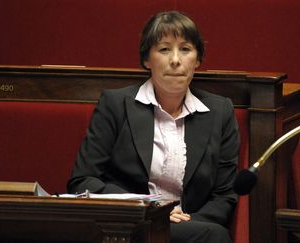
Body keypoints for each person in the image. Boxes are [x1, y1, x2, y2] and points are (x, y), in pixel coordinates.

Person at [67, 11, 239, 243]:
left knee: (214, 235)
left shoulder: (220, 112)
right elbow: (84, 179)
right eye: (164, 49)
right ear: (147, 59)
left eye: (185, 49)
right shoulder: (115, 104)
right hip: (128, 224)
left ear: (197, 60)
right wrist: (151, 209)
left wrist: (187, 221)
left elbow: (225, 196)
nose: (176, 60)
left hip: (191, 227)